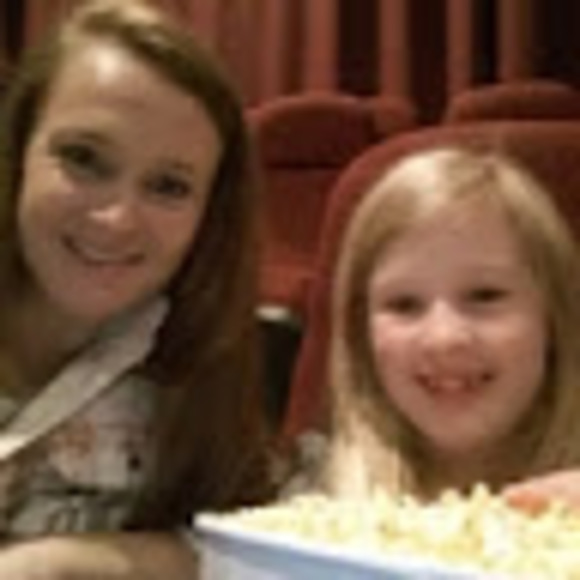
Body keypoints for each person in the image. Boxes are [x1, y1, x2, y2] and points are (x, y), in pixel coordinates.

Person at [0, 0, 273, 577]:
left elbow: (246, 545)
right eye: (84, 159)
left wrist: (66, 562)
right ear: (17, 151)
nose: (117, 219)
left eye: (168, 187)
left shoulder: (201, 356)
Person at [289, 146, 580, 504]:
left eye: (485, 296)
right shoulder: (310, 494)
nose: (444, 337)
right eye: (404, 305)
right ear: (361, 335)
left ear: (554, 315)